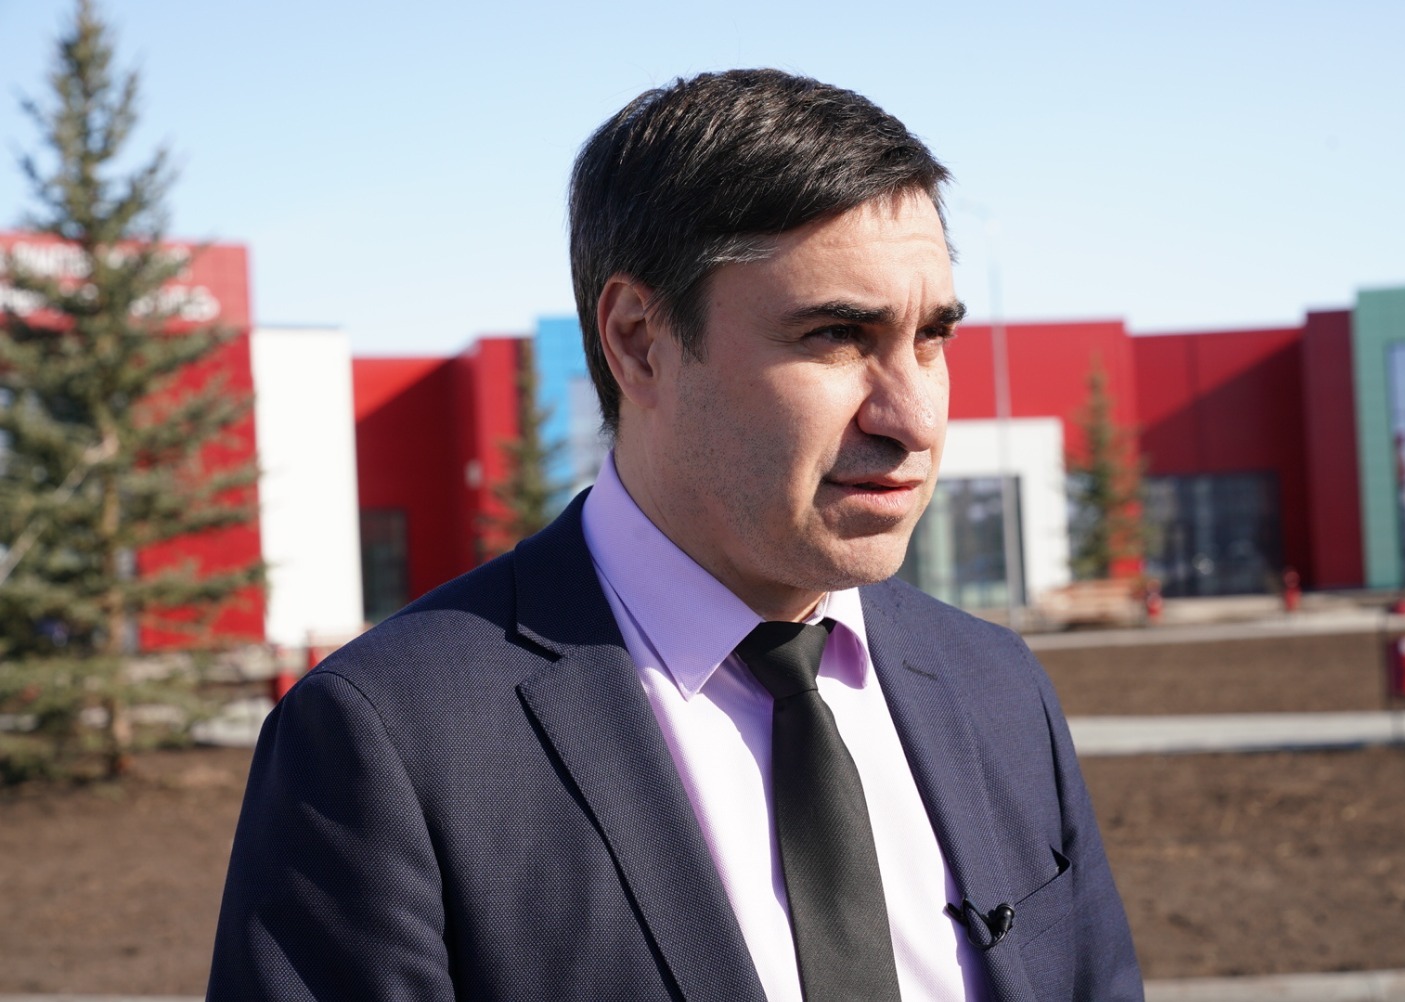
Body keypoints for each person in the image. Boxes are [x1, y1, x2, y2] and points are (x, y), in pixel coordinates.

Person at [208, 68, 1141, 1001]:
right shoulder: (391, 741)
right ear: (638, 340)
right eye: (836, 335)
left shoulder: (997, 689)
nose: (916, 417)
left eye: (932, 337)